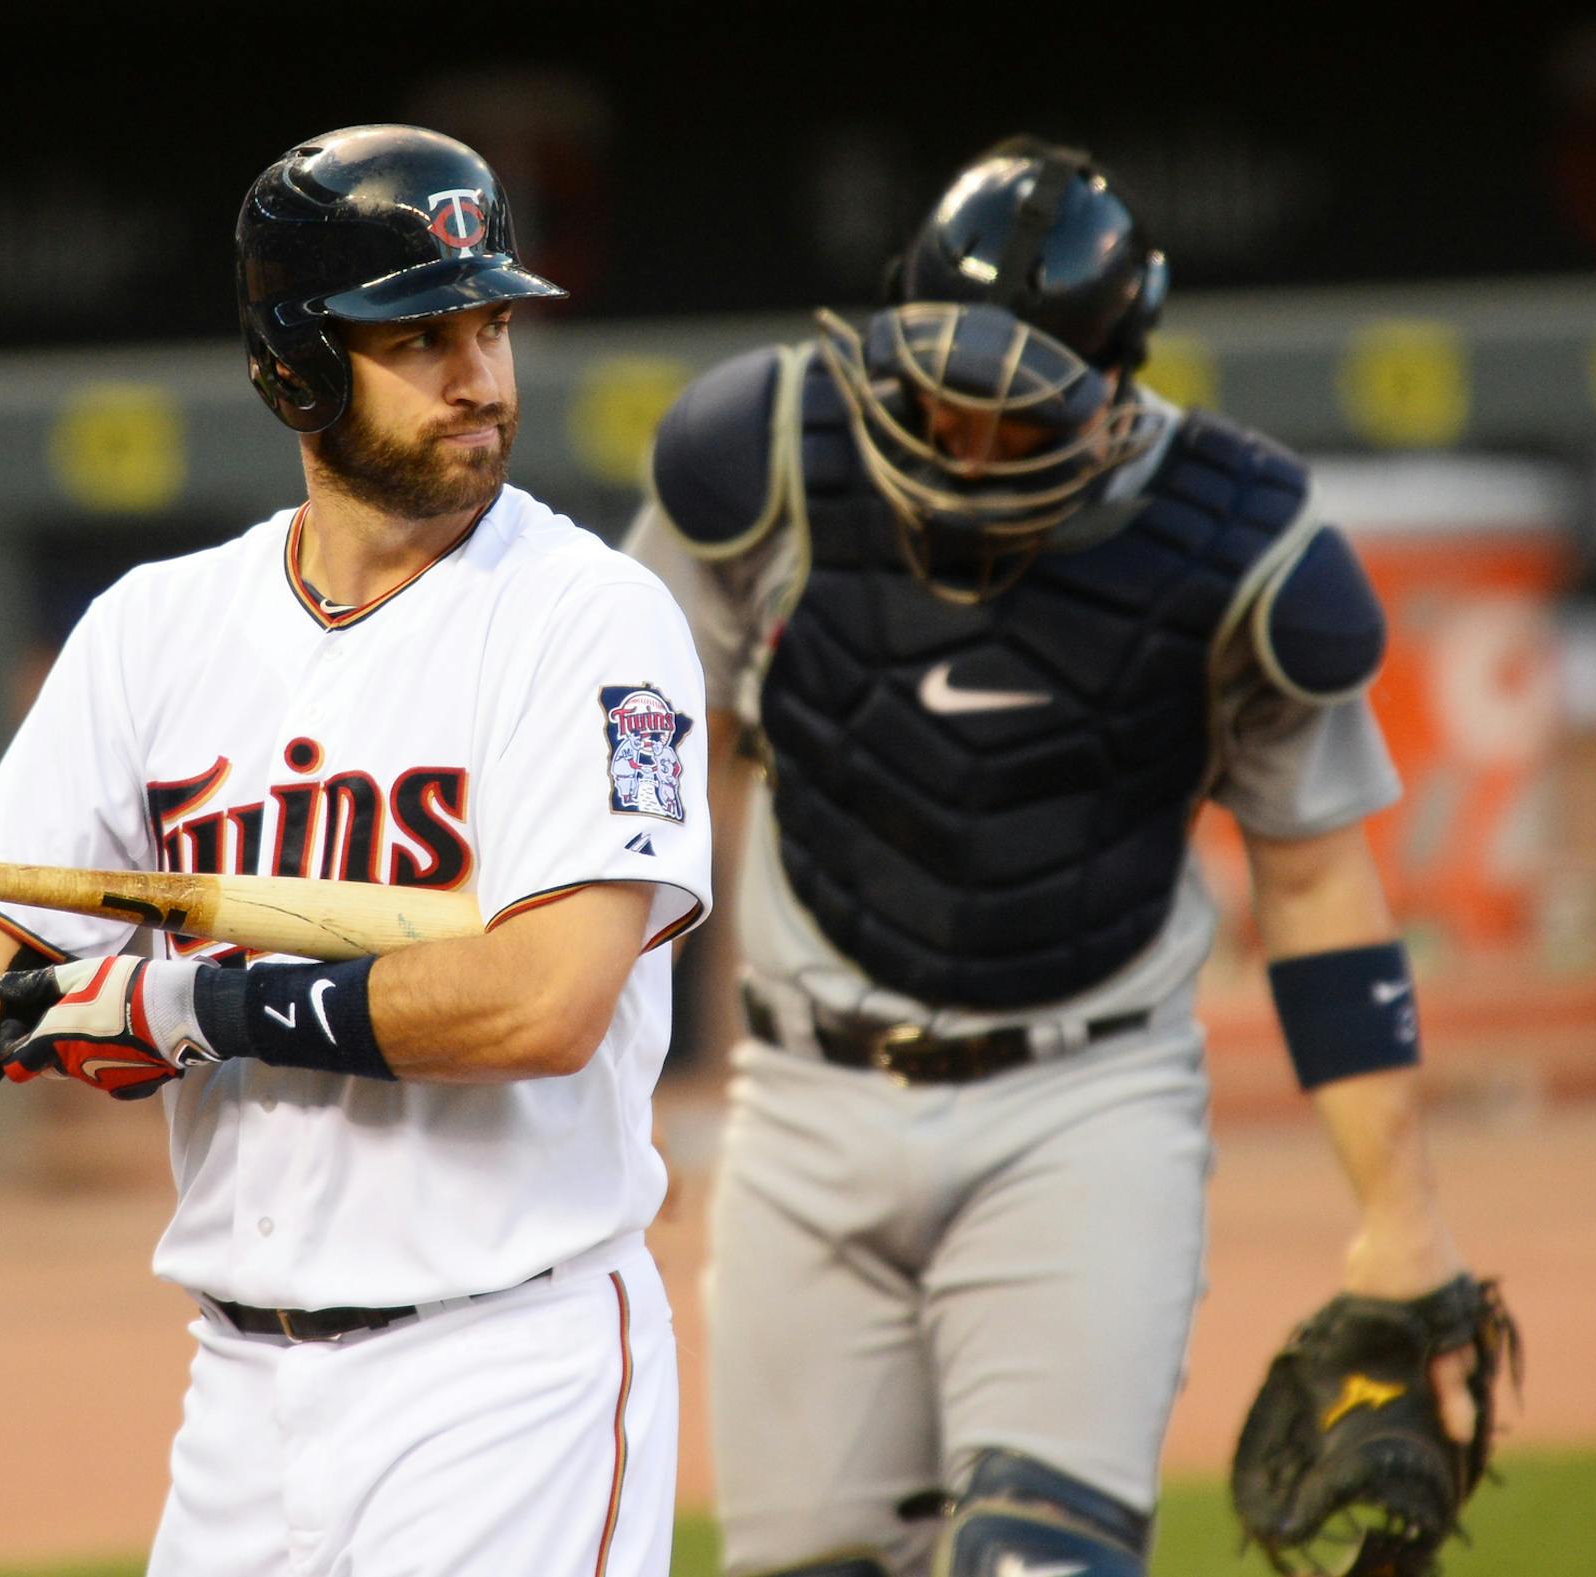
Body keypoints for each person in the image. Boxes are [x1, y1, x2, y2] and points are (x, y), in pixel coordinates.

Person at [0, 124, 710, 1577]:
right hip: (240, 1400)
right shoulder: (157, 631)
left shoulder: (586, 618)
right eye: (423, 336)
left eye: (490, 324)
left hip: (508, 1377)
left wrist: (190, 1005)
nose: (482, 377)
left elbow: (547, 999)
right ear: (296, 362)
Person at [626, 135, 1489, 1576]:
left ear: (1119, 375)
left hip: (1082, 1106)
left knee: (1047, 1560)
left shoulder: (1236, 546)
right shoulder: (770, 456)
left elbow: (1323, 885)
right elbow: (643, 767)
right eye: (939, 396)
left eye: (1013, 414)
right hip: (802, 1105)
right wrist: (602, 1063)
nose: (964, 439)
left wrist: (1403, 1219)